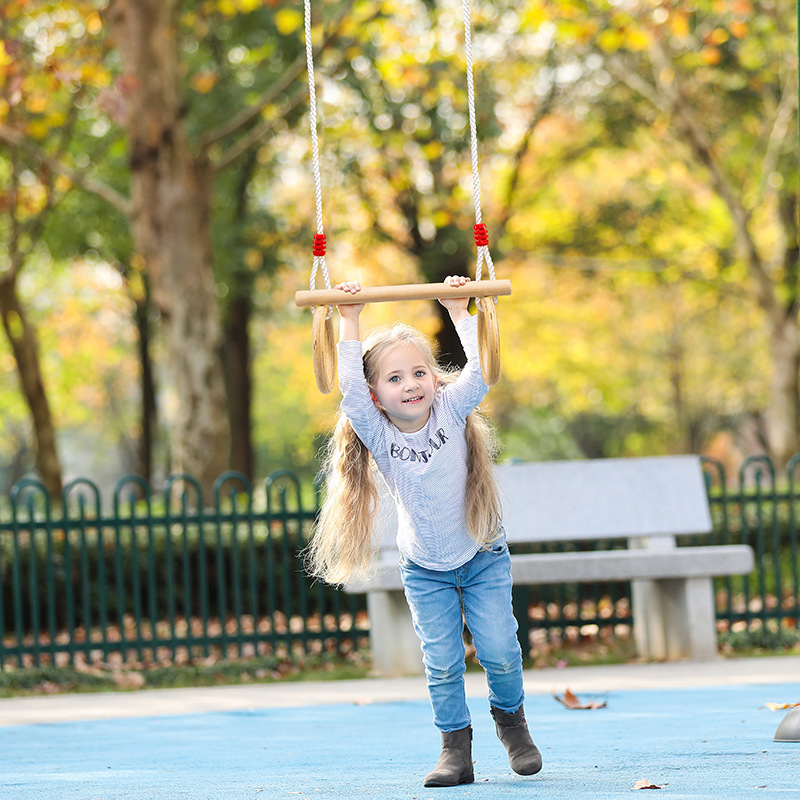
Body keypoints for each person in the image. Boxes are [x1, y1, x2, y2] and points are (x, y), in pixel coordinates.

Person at [306, 275, 541, 787]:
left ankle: (512, 725)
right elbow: (348, 389)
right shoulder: (378, 433)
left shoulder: (451, 411)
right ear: (377, 396)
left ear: (435, 378)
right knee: (442, 662)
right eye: (395, 379)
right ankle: (456, 750)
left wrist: (460, 310)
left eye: (419, 372)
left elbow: (480, 371)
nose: (411, 384)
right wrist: (349, 320)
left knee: (500, 647)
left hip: (481, 554)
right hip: (425, 569)